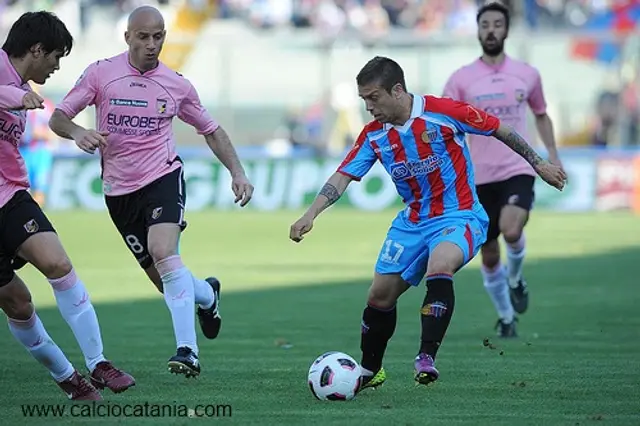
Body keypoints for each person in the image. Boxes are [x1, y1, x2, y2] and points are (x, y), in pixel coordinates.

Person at [289, 56, 566, 388]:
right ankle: (370, 369)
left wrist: (539, 163)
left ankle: (426, 356)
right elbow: (343, 175)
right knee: (378, 297)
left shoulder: (444, 112)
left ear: (397, 90)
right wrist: (311, 214)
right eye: (364, 100)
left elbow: (499, 128)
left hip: (460, 215)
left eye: (373, 98)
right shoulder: (374, 135)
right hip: (413, 223)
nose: (368, 107)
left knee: (440, 264)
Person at [49, 6, 254, 378]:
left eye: (158, 36)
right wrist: (79, 133)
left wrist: (237, 172)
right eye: (143, 37)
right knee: (165, 280)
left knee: (164, 252)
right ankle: (207, 296)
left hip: (162, 177)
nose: (151, 44)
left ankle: (187, 351)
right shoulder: (101, 74)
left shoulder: (176, 84)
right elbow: (59, 117)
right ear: (127, 37)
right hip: (118, 191)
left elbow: (211, 129)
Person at [0, 11, 134, 401]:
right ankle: (68, 378)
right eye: (55, 56)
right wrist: (17, 96)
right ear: (36, 49)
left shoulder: (25, 89)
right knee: (18, 303)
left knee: (57, 263)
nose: (57, 66)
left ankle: (99, 363)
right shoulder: (15, 87)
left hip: (9, 195)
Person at [442, 2, 563, 338]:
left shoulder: (527, 74)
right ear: (478, 30)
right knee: (490, 252)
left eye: (497, 24)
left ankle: (516, 278)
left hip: (517, 167)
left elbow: (541, 113)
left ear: (506, 30)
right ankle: (507, 316)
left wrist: (552, 154)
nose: (491, 30)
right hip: (476, 177)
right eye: (485, 25)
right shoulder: (460, 80)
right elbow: (446, 124)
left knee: (512, 230)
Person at [19, 86, 55, 207]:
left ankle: (36, 218)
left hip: (41, 152)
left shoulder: (47, 107)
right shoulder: (19, 103)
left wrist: (39, 133)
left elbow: (54, 132)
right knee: (21, 189)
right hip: (22, 151)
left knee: (40, 188)